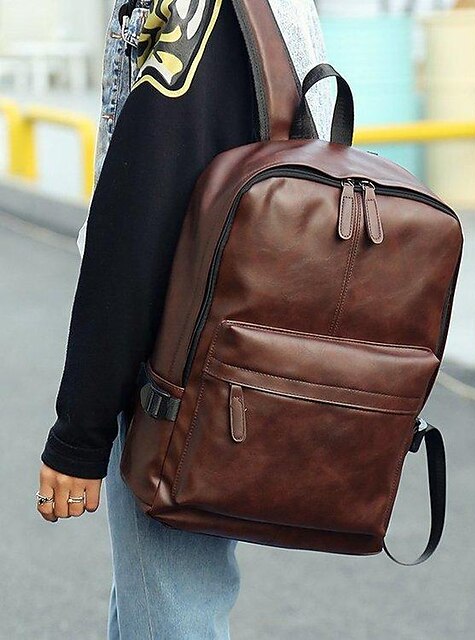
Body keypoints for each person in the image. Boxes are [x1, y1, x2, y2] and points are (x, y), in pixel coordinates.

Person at [35, 1, 331, 637]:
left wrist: (80, 431)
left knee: (171, 615)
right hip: (244, 350)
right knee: (156, 605)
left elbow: (141, 217)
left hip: (175, 371)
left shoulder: (194, 13)